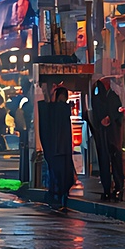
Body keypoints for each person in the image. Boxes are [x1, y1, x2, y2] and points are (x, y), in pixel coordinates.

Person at [37, 84, 75, 212]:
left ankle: (57, 197)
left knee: (57, 176)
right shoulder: (63, 110)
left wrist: (51, 95)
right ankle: (60, 197)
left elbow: (48, 111)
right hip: (62, 150)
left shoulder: (57, 111)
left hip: (57, 150)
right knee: (61, 176)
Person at [89, 78, 125, 202]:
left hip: (110, 133)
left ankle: (113, 188)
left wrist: (107, 118)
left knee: (110, 160)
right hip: (110, 133)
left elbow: (119, 112)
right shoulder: (105, 96)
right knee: (111, 160)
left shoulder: (105, 96)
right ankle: (114, 188)